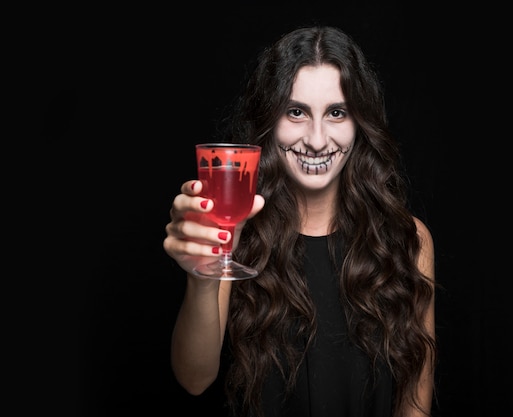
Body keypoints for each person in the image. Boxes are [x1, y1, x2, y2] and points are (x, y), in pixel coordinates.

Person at [163, 25, 436, 417]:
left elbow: (414, 404)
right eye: (296, 112)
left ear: (360, 122)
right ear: (269, 120)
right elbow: (194, 377)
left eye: (337, 113)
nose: (317, 139)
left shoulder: (409, 240)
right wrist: (202, 272)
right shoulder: (236, 235)